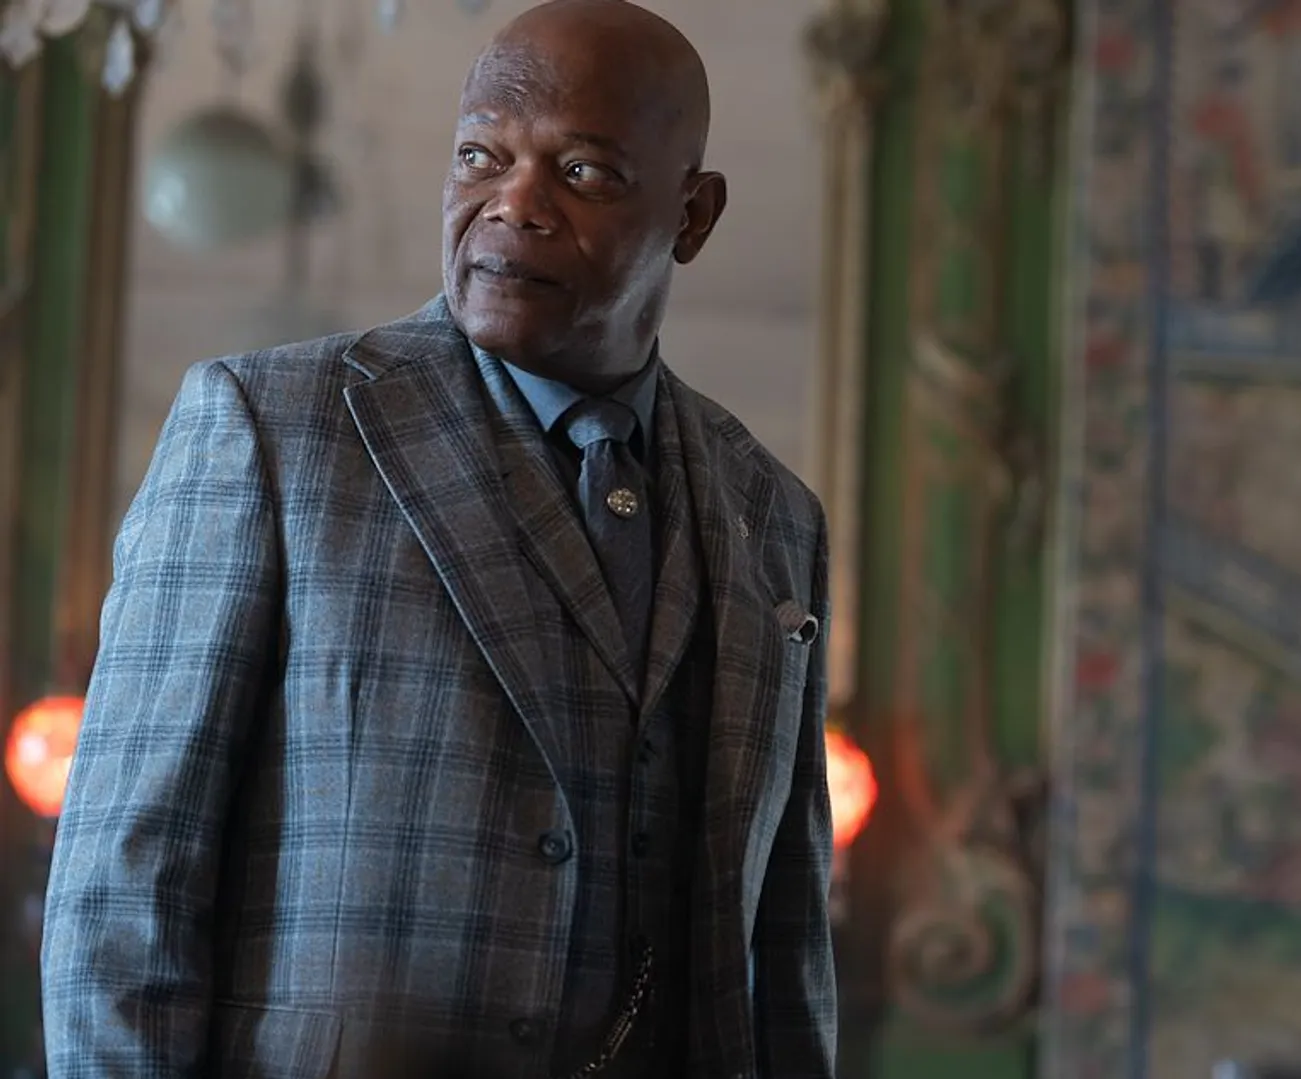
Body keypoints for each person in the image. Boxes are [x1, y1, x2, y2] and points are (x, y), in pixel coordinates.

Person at [40, 2, 837, 1076]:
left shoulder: (773, 511)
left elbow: (786, 942)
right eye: (480, 156)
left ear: (692, 216)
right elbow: (124, 887)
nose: (515, 203)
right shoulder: (272, 426)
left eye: (584, 171)